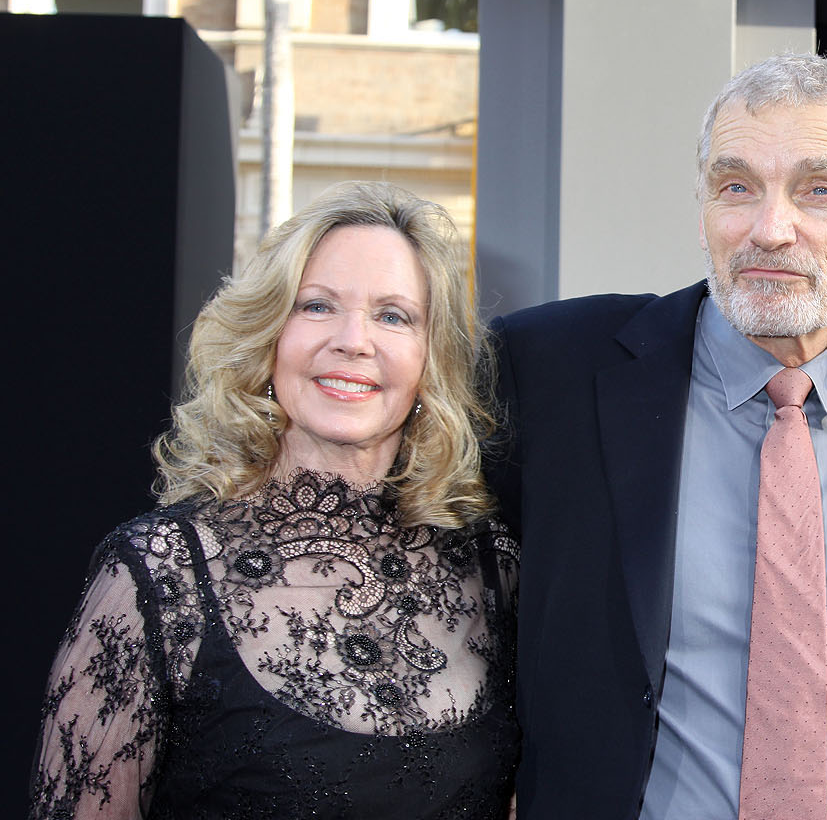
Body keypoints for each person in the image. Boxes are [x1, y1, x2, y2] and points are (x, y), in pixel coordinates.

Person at [489, 53, 827, 819]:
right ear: (702, 207)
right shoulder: (548, 372)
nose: (769, 230)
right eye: (736, 187)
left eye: (819, 190)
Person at [29, 182, 518, 819]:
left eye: (394, 316)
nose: (353, 340)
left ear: (433, 359)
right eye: (316, 305)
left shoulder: (496, 567)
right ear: (268, 336)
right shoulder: (159, 574)